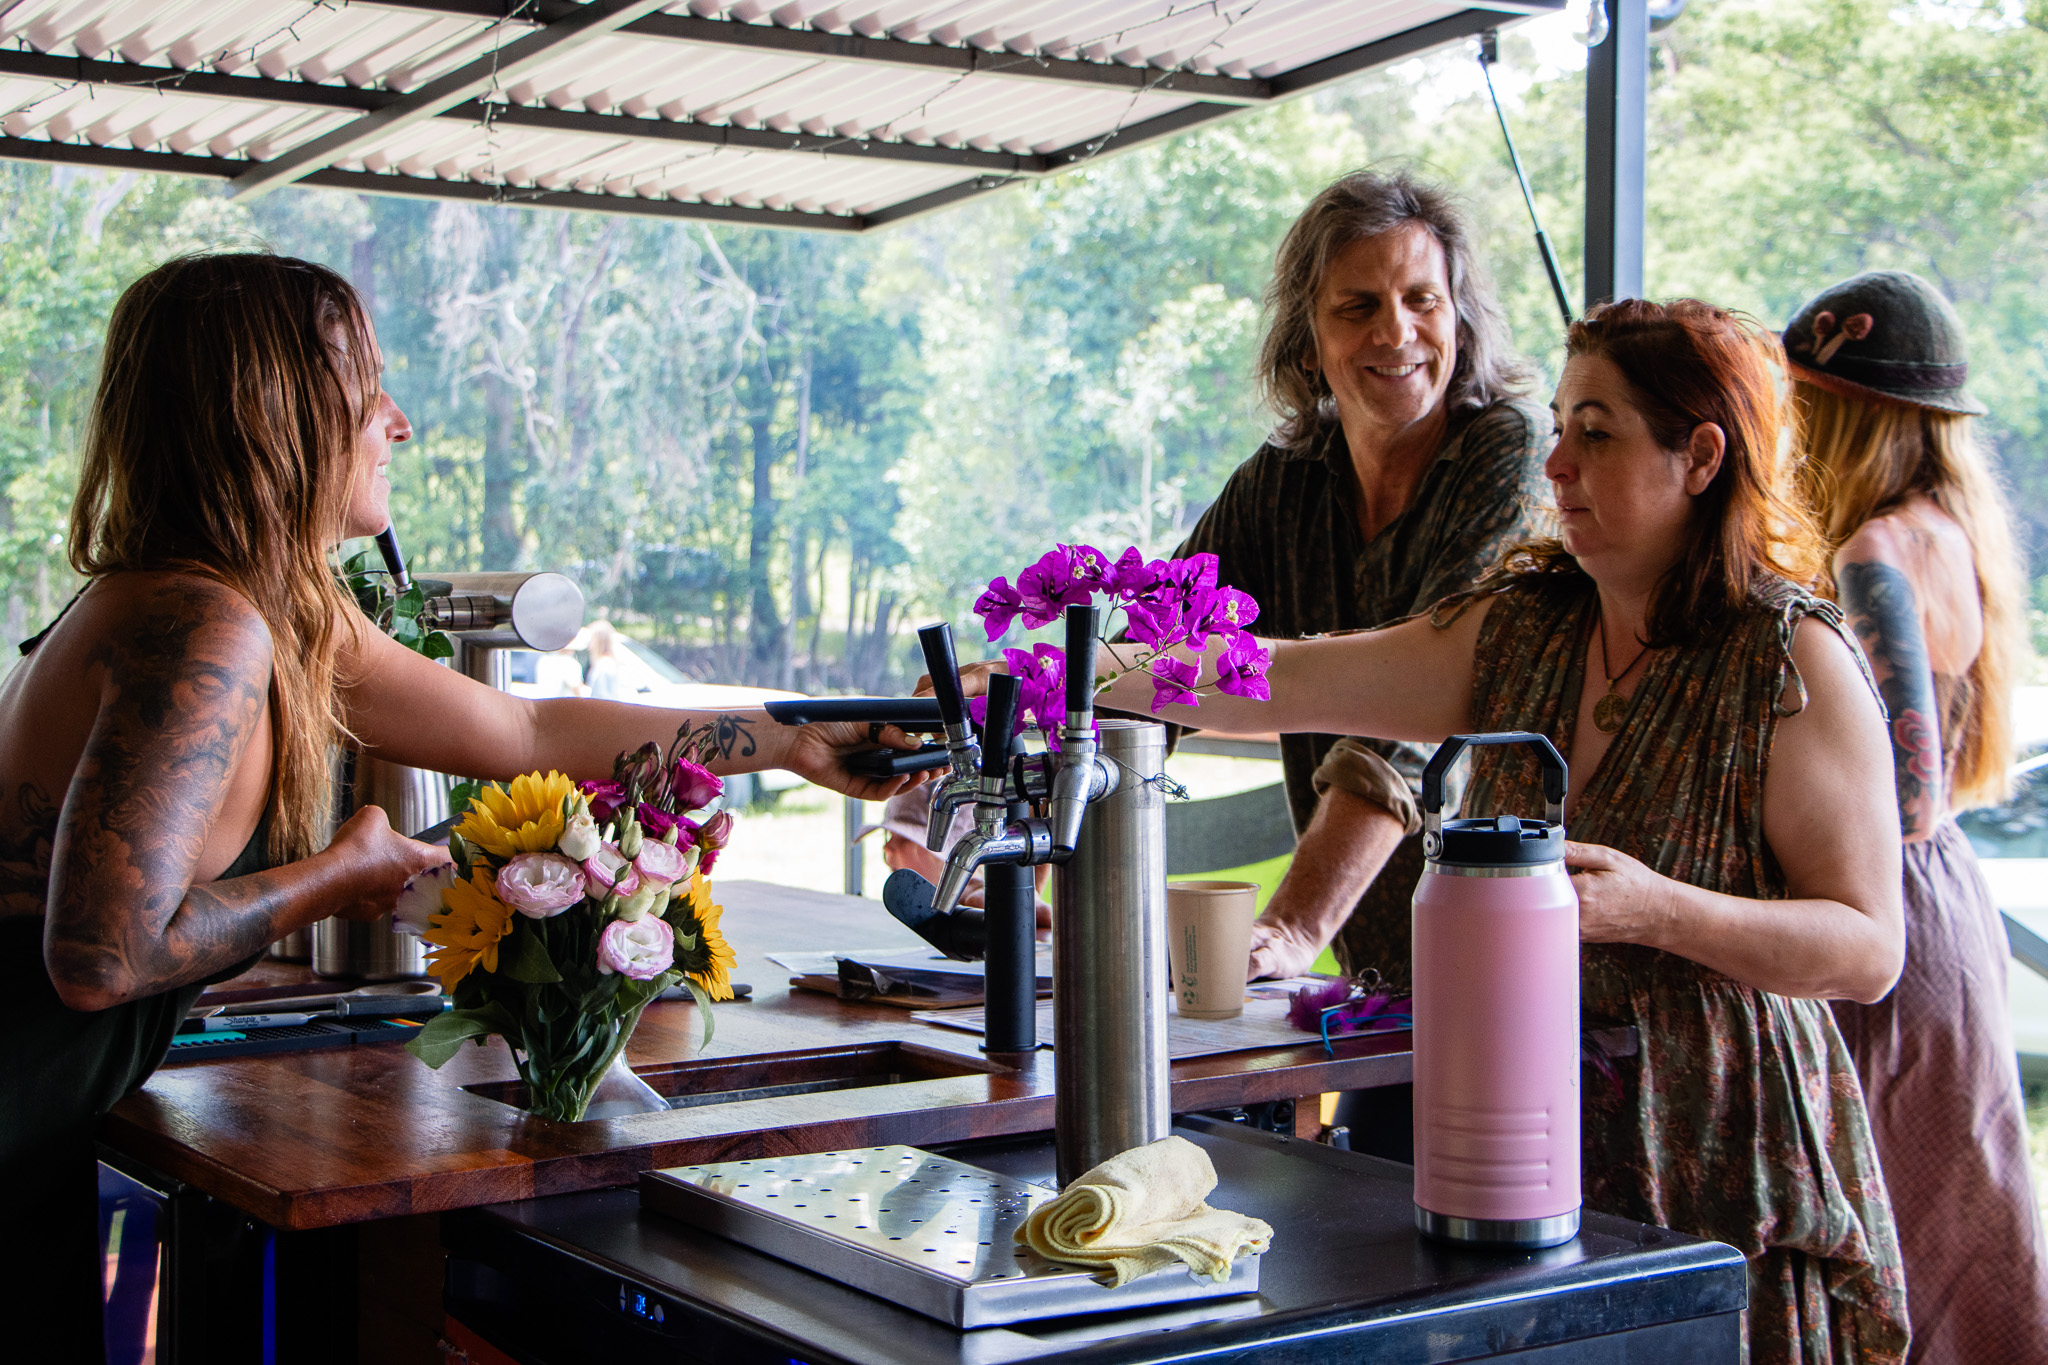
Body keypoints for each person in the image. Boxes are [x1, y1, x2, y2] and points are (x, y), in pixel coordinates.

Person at [0, 252, 927, 1359]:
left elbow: (525, 734)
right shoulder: (203, 625)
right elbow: (101, 959)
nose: (397, 422)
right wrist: (339, 874)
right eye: (366, 385)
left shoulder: (250, 607)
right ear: (270, 409)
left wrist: (790, 739)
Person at [1041, 299, 1909, 1360]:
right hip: (1511, 1129)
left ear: (1698, 456)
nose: (1554, 466)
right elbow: (1271, 679)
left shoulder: (1786, 662)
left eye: (1594, 433)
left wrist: (1658, 910)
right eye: (1556, 428)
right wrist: (1061, 678)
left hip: (1721, 1143)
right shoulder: (1521, 631)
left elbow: (1866, 950)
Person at [1167, 169, 1548, 988]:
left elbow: (1419, 713)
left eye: (1422, 299)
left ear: (1461, 316)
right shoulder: (1282, 483)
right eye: (1358, 307)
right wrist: (1042, 859)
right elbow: (1150, 666)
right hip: (1379, 981)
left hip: (1517, 973)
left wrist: (1294, 924)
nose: (1397, 331)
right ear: (1307, 339)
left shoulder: (1509, 452)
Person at [1782, 270, 2048, 1363]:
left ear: (1848, 417)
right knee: (1954, 1220)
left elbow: (1904, 794)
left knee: (1897, 1231)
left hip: (1889, 921)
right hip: (1946, 907)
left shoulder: (1872, 554)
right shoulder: (1949, 528)